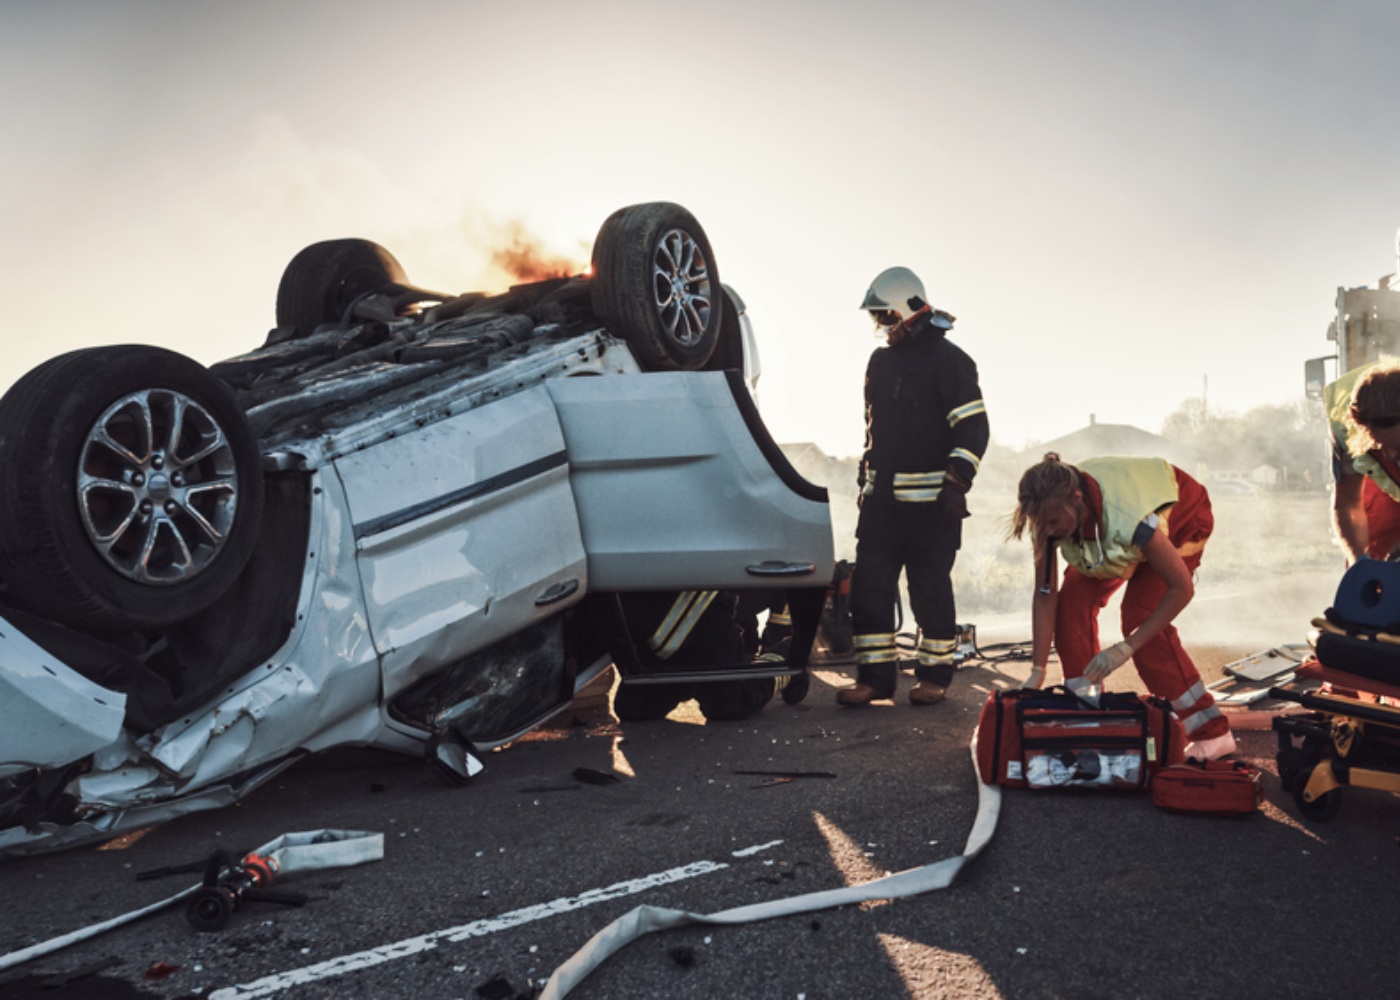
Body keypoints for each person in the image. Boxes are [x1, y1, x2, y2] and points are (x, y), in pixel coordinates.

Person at [1009, 453, 1235, 760]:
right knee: (1071, 605)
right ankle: (1085, 713)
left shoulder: (1130, 518)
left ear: (1076, 500)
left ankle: (1213, 733)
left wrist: (1126, 647)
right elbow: (1046, 593)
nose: (1046, 531)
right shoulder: (1048, 513)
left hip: (1182, 515)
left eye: (1052, 523)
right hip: (1110, 532)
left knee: (1140, 616)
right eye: (1040, 524)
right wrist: (1038, 669)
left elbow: (1181, 589)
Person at [836, 266, 988, 706]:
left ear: (910, 311)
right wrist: (865, 487)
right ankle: (875, 680)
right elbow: (874, 435)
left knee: (930, 590)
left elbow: (973, 429)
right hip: (881, 506)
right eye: (877, 319)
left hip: (932, 507)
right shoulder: (880, 362)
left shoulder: (951, 361)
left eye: (885, 317)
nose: (880, 328)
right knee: (870, 590)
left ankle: (934, 677)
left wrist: (957, 483)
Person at [1326, 360, 1400, 564]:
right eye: (1380, 444)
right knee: (1375, 548)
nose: (1391, 456)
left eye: (1398, 447)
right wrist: (1359, 562)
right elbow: (1348, 502)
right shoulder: (1345, 426)